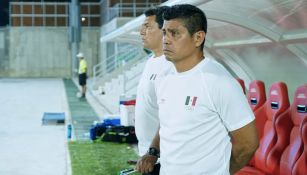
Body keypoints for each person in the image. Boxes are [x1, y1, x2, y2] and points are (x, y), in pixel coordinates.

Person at [135, 4, 259, 175]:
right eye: (164, 32)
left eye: (175, 33)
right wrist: (153, 151)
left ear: (198, 38)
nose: (166, 39)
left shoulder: (218, 81)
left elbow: (248, 143)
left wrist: (223, 170)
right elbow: (166, 123)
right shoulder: (163, 76)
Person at [134, 6, 173, 174]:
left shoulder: (170, 65)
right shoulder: (151, 61)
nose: (142, 31)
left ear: (164, 30)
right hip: (148, 154)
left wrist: (153, 152)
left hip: (161, 158)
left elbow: (170, 115)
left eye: (148, 26)